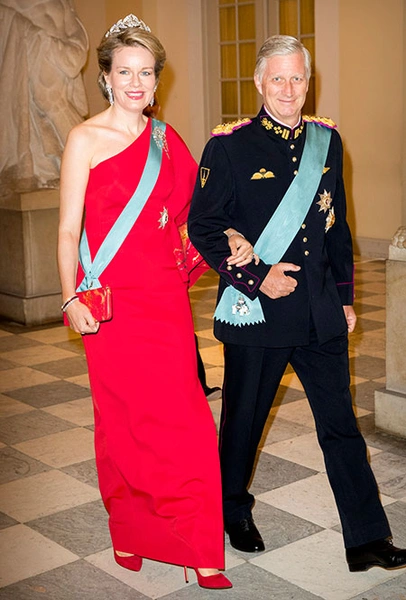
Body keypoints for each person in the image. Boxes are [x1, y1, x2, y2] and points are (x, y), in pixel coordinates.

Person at [188, 35, 406, 572]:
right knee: (243, 422)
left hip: (317, 309)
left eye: (297, 78)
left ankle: (367, 538)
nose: (288, 89)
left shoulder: (326, 141)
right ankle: (232, 511)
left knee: (341, 425)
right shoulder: (229, 146)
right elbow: (204, 226)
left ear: (309, 83)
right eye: (278, 78)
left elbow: (337, 227)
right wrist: (257, 277)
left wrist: (344, 299)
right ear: (259, 82)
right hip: (259, 313)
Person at [57, 14, 248, 589]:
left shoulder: (168, 141)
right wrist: (68, 298)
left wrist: (229, 235)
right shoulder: (84, 139)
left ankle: (200, 546)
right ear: (106, 78)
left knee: (185, 419)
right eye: (125, 72)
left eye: (146, 72)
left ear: (157, 79)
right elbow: (67, 229)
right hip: (109, 304)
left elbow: (197, 214)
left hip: (162, 301)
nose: (136, 83)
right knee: (122, 424)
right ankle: (131, 532)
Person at [0, 0, 88, 194]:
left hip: (57, 55)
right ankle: (59, 168)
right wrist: (31, 32)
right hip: (30, 51)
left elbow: (74, 29)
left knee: (55, 104)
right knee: (44, 105)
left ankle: (86, 162)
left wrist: (73, 49)